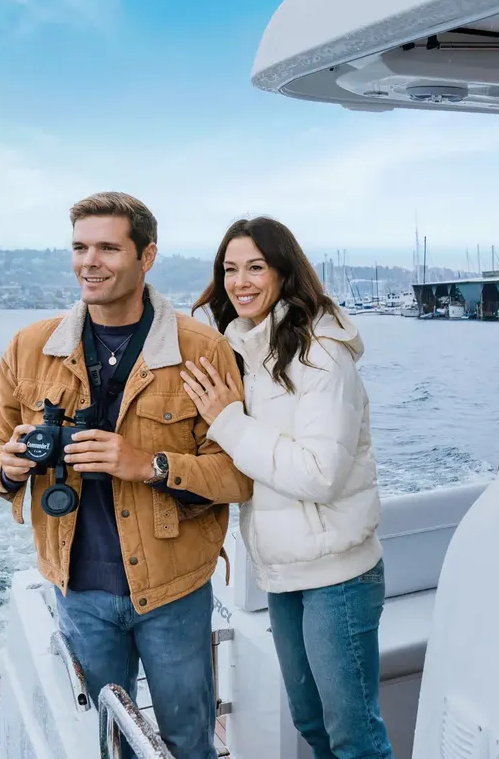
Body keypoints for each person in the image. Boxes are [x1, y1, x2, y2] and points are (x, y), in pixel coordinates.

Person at [0, 192, 252, 759]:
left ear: (146, 256)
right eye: (79, 248)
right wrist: (6, 465)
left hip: (174, 590)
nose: (89, 262)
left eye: (107, 248)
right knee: (109, 745)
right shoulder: (29, 349)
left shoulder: (203, 351)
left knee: (188, 744)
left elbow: (237, 476)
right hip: (78, 591)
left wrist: (147, 464)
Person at [180, 216, 393, 759]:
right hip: (282, 571)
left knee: (354, 738)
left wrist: (227, 421)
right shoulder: (249, 352)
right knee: (311, 722)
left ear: (283, 271)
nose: (240, 281)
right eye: (230, 269)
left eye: (255, 267)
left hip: (338, 574)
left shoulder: (322, 352)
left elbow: (320, 474)